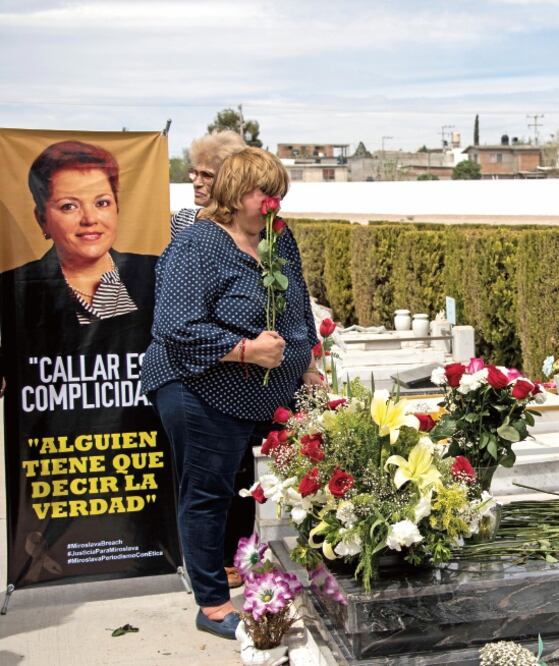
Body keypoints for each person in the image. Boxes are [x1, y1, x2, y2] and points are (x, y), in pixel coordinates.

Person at [142, 147, 321, 639]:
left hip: (259, 389)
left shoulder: (278, 241)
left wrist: (306, 361)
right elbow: (174, 327)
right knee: (207, 491)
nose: (275, 202)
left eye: (279, 192)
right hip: (196, 385)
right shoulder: (197, 244)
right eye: (267, 192)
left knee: (267, 480)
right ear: (236, 193)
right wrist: (244, 350)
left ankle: (260, 570)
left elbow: (297, 307)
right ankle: (213, 606)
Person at [0, 140, 165, 584]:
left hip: (135, 453)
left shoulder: (154, 275)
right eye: (69, 206)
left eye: (102, 202)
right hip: (60, 460)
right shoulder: (16, 288)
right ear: (41, 219)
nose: (91, 219)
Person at [170, 129, 248, 589]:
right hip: (198, 361)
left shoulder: (255, 226)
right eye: (193, 173)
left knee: (239, 467)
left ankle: (237, 548)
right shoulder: (184, 224)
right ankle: (209, 561)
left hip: (247, 367)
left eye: (208, 174)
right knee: (204, 470)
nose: (197, 181)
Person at [170, 130, 245, 238]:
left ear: (230, 180)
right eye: (195, 173)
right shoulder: (181, 221)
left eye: (207, 175)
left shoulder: (245, 227)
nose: (196, 183)